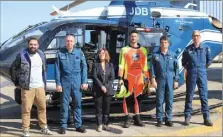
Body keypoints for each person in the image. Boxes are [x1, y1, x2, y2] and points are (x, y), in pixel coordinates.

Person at [10, 37, 53, 137]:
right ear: (28, 45)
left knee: (42, 108)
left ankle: (43, 127)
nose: (33, 46)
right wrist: (17, 83)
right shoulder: (22, 55)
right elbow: (13, 68)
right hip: (27, 88)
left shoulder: (41, 54)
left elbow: (44, 68)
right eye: (31, 44)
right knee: (26, 110)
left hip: (40, 87)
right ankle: (26, 130)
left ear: (38, 45)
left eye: (35, 44)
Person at [55, 34, 88, 134]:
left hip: (77, 81)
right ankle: (63, 126)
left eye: (71, 41)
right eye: (67, 41)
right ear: (65, 42)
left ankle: (78, 125)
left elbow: (84, 67)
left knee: (77, 104)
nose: (69, 43)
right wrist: (58, 83)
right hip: (65, 81)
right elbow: (57, 69)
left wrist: (84, 81)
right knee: (64, 105)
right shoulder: (60, 53)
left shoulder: (79, 52)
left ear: (74, 42)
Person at [118, 30, 149, 128]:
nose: (133, 38)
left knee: (138, 99)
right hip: (128, 78)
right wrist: (120, 78)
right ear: (129, 38)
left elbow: (145, 65)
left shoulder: (143, 50)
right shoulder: (124, 49)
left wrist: (147, 78)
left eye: (135, 36)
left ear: (138, 38)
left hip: (139, 78)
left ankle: (137, 118)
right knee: (127, 99)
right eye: (131, 36)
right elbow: (121, 64)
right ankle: (127, 118)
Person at [182, 30, 213, 126]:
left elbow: (208, 61)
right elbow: (184, 63)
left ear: (200, 37)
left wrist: (201, 69)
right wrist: (191, 69)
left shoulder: (205, 48)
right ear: (192, 37)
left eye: (197, 36)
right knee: (189, 96)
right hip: (191, 74)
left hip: (202, 73)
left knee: (203, 96)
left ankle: (206, 117)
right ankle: (187, 117)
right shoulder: (187, 50)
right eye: (194, 36)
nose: (196, 38)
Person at [150, 36, 179, 127]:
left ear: (168, 44)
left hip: (170, 79)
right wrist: (153, 79)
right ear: (160, 43)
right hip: (160, 79)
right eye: (162, 42)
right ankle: (159, 119)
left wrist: (176, 80)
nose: (164, 44)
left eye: (165, 42)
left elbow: (176, 68)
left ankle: (168, 119)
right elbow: (152, 68)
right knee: (159, 100)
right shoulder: (155, 56)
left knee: (169, 100)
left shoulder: (173, 55)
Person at [92, 48, 115, 132]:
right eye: (100, 53)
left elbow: (112, 78)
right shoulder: (95, 65)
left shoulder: (110, 65)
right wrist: (101, 86)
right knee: (99, 109)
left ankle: (106, 124)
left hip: (108, 90)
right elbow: (94, 77)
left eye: (103, 53)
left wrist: (106, 86)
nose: (102, 54)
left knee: (107, 109)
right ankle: (99, 125)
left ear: (106, 55)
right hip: (98, 90)